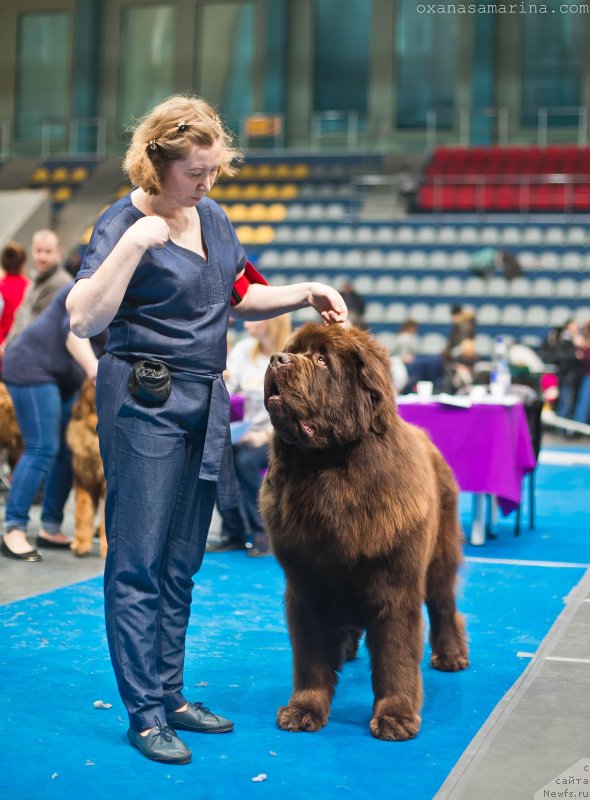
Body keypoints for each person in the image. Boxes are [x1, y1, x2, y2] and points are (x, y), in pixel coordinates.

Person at [65, 94, 347, 766]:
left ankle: (169, 693)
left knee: (184, 560)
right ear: (157, 164)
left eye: (215, 171)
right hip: (143, 401)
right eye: (196, 172)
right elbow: (82, 316)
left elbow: (241, 296)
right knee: (137, 561)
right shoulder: (120, 223)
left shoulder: (214, 218)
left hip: (206, 400)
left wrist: (306, 289)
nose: (207, 183)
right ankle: (143, 713)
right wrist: (135, 244)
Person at [1, 284, 103, 562]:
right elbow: (72, 333)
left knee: (68, 452)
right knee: (42, 447)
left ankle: (50, 527)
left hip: (64, 378)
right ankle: (14, 529)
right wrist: (93, 367)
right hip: (31, 367)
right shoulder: (87, 286)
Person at [207, 314, 292, 557]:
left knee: (243, 461)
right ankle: (232, 531)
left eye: (253, 318)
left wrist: (265, 435)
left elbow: (299, 408)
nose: (246, 322)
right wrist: (220, 379)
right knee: (217, 458)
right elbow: (229, 387)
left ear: (270, 322)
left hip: (282, 436)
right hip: (248, 433)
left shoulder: (289, 356)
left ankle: (262, 531)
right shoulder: (245, 350)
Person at [5, 229, 71, 345]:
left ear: (58, 253)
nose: (42, 257)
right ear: (32, 250)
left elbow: (39, 324)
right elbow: (21, 314)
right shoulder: (35, 279)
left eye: (48, 252)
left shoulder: (61, 283)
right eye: (38, 251)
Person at [0, 242, 30, 350]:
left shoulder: (1, 287)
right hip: (23, 343)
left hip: (4, 344)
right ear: (22, 264)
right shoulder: (30, 287)